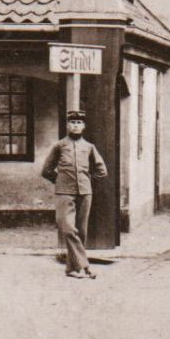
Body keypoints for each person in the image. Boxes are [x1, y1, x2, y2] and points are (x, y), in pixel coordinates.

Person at [39, 109, 107, 279]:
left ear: (83, 126)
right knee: (68, 229)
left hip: (85, 193)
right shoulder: (60, 145)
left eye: (79, 123)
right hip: (64, 193)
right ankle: (85, 266)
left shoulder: (89, 147)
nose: (75, 125)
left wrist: (88, 181)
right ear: (67, 125)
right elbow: (46, 170)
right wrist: (61, 181)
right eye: (72, 122)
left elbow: (102, 170)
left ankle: (71, 269)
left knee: (81, 231)